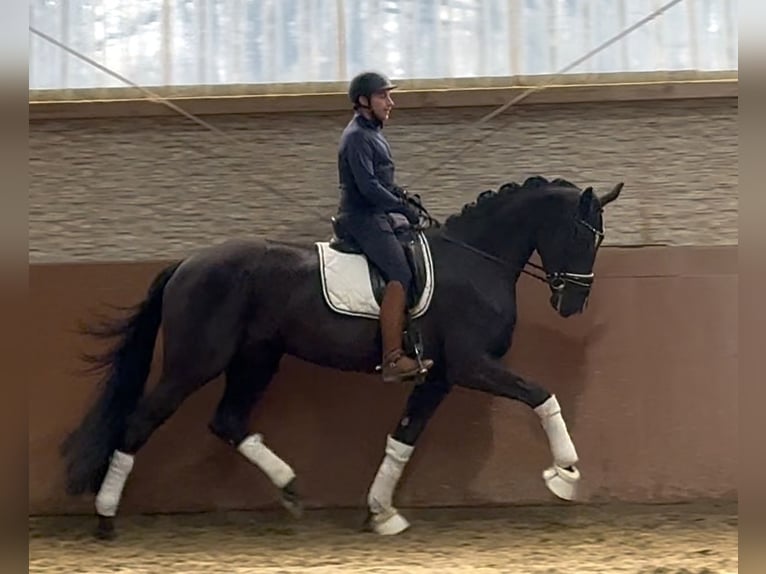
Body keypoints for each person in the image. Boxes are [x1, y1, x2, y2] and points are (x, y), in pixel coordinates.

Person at [336, 70, 434, 383]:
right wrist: (399, 205)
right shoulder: (357, 138)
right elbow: (368, 188)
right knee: (401, 273)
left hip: (377, 214)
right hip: (362, 217)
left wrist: (404, 197)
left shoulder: (372, 134)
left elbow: (383, 183)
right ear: (364, 101)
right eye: (383, 96)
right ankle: (392, 358)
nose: (390, 103)